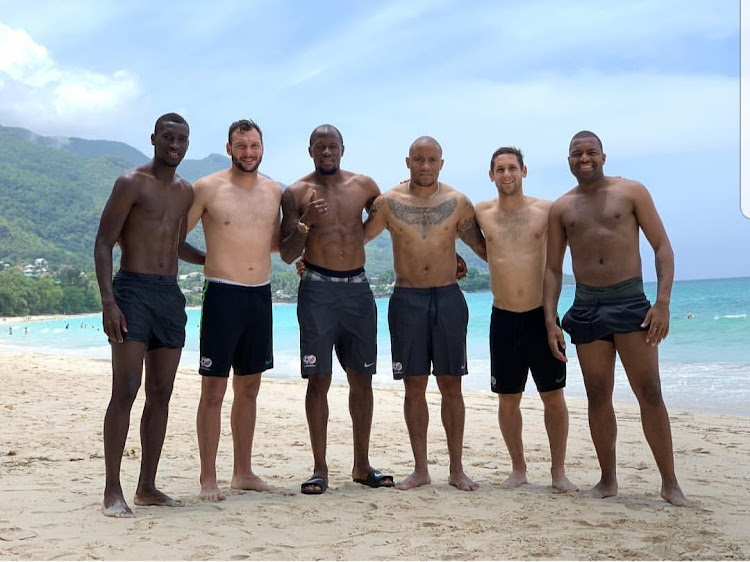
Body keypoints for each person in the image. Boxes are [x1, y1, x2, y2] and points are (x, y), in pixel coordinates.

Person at [543, 130, 688, 506]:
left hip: (629, 299)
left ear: (604, 156)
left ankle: (670, 483)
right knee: (597, 395)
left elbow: (663, 248)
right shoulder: (561, 208)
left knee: (650, 392)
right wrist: (550, 319)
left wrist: (663, 304)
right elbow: (554, 270)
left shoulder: (631, 192)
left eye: (591, 152)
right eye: (577, 153)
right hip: (587, 304)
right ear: (569, 160)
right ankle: (608, 479)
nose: (584, 158)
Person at [364, 136, 487, 491]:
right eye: (419, 159)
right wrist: (313, 258)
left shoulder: (458, 203)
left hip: (448, 299)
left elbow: (485, 249)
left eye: (432, 159)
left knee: (452, 386)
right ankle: (420, 469)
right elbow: (354, 241)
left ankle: (457, 469)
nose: (426, 166)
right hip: (406, 299)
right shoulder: (387, 203)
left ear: (442, 163)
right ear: (408, 162)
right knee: (413, 388)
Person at [280, 124, 393, 495]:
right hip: (317, 291)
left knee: (362, 378)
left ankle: (362, 465)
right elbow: (286, 252)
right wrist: (306, 222)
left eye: (332, 146)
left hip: (358, 290)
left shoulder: (365, 186)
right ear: (309, 149)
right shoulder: (295, 192)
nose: (326, 152)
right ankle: (320, 469)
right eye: (319, 147)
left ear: (343, 148)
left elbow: (390, 218)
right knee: (319, 379)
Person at [94, 113, 193, 518]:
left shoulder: (186, 192)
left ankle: (147, 486)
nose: (174, 144)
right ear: (153, 139)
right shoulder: (131, 182)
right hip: (132, 290)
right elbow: (103, 242)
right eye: (168, 137)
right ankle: (111, 489)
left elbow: (176, 243)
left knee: (162, 392)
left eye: (181, 139)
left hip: (169, 295)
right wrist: (109, 302)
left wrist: (215, 260)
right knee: (127, 388)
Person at [179, 119, 282, 502]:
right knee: (214, 389)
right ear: (229, 148)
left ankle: (243, 471)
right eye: (241, 146)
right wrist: (209, 258)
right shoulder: (206, 188)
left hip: (260, 295)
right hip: (222, 294)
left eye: (254, 145)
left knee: (250, 388)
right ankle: (208, 477)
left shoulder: (274, 191)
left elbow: (275, 244)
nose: (248, 152)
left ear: (263, 147)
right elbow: (176, 238)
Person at [475, 147, 577, 492]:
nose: (507, 175)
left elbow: (582, 205)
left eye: (512, 168)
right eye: (500, 169)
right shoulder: (481, 212)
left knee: (553, 396)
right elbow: (445, 214)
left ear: (524, 171)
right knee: (508, 399)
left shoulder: (546, 211)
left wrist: (552, 318)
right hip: (502, 317)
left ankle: (558, 472)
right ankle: (518, 469)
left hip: (541, 316)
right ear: (491, 175)